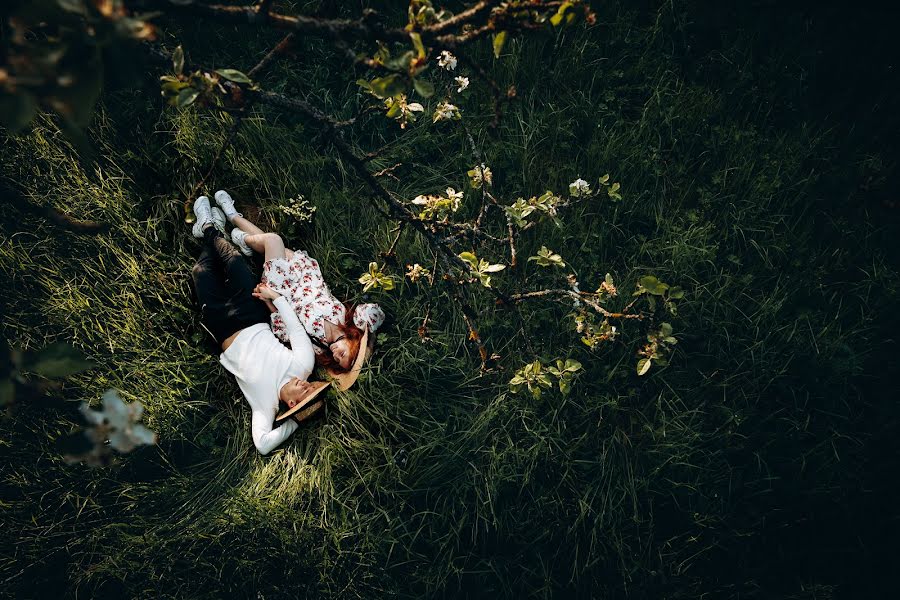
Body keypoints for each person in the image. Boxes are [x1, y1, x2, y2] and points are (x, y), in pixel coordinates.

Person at [211, 190, 385, 381]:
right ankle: (240, 229)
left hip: (283, 291)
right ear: (354, 344)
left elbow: (287, 331)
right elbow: (375, 312)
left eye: (337, 360)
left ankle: (237, 229)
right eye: (342, 355)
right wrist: (366, 338)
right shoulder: (349, 319)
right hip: (305, 275)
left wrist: (270, 302)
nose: (335, 355)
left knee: (273, 240)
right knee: (275, 247)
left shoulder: (317, 346)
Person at [189, 195, 317, 455]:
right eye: (313, 390)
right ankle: (210, 229)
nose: (309, 386)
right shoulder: (303, 366)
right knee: (234, 261)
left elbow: (262, 444)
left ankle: (209, 230)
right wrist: (276, 298)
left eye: (307, 395)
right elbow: (295, 328)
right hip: (253, 314)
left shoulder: (264, 406)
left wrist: (294, 421)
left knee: (201, 272)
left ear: (292, 403)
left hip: (223, 328)